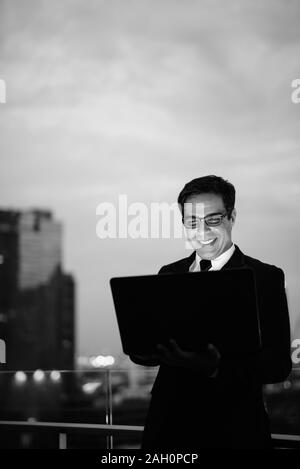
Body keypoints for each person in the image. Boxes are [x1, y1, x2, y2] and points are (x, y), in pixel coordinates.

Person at [130, 175, 292, 449]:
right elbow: (146, 356)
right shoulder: (168, 274)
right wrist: (145, 347)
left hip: (234, 433)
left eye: (213, 220)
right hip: (169, 432)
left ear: (232, 217)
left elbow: (278, 367)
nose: (202, 231)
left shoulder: (265, 278)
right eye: (192, 222)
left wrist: (216, 367)